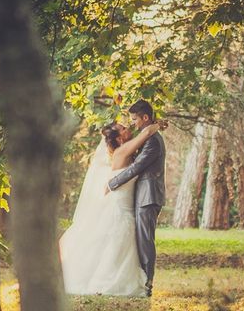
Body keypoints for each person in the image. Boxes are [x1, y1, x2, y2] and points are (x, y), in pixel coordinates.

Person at [59, 118, 164, 296]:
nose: (127, 128)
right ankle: (109, 280)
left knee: (120, 240)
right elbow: (145, 133)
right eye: (122, 129)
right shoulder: (122, 151)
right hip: (120, 205)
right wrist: (158, 124)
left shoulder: (126, 150)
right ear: (118, 139)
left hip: (126, 203)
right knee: (116, 237)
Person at [105, 99, 166, 297]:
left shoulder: (152, 141)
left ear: (145, 118)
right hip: (143, 195)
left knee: (145, 241)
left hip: (148, 196)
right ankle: (143, 282)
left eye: (134, 119)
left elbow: (136, 167)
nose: (132, 123)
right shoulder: (148, 136)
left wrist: (112, 183)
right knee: (142, 240)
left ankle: (147, 284)